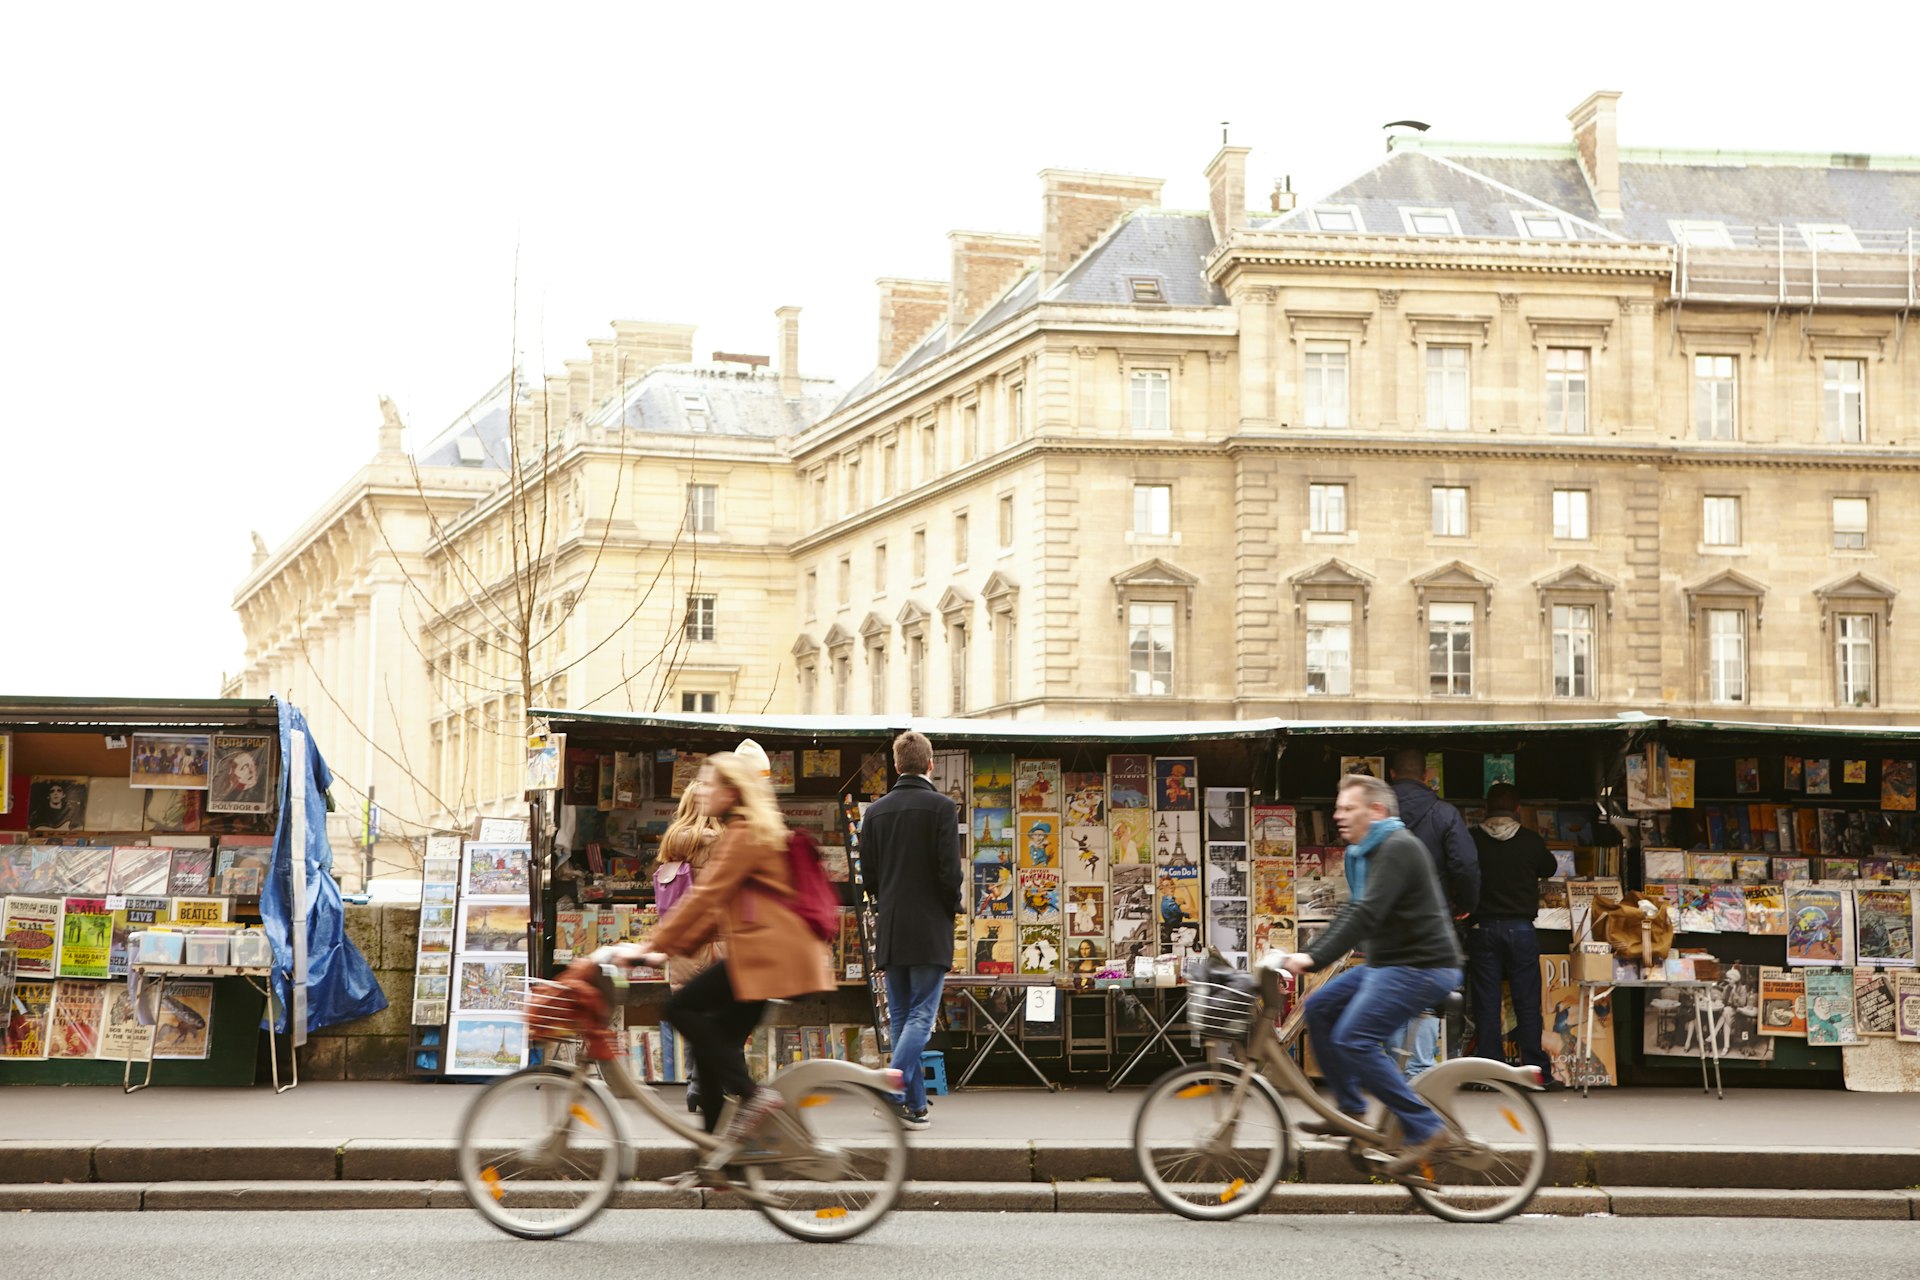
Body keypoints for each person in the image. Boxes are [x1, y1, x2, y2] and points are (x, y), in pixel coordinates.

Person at [646, 750, 835, 1149]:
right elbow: (717, 909)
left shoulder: (743, 833)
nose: (700, 791)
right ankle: (716, 1160)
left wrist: (654, 946)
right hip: (770, 956)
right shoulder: (750, 829)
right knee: (712, 1046)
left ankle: (752, 1096)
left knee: (678, 1009)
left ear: (730, 792)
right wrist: (676, 943)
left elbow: (705, 897)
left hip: (767, 957)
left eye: (709, 784)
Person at [1282, 774, 1465, 1176]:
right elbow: (1354, 910)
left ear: (1377, 811)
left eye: (1348, 808)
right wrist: (1309, 953)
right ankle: (1350, 1111)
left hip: (1423, 965)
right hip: (1390, 963)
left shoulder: (1398, 847)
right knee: (1320, 1007)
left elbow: (1366, 914)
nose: (1338, 815)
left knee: (1355, 1038)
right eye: (1338, 808)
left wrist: (1310, 959)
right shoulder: (1360, 852)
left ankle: (1426, 1126)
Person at [856, 729, 962, 1130]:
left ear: (896, 765)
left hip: (891, 924)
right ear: (930, 764)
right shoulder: (941, 808)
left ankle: (914, 1105)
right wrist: (950, 908)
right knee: (922, 1015)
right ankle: (890, 1088)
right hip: (930, 923)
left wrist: (888, 901)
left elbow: (870, 878)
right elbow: (950, 873)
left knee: (900, 1016)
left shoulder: (876, 812)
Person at [1385, 747, 1479, 1076]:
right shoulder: (1444, 813)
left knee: (1388, 994)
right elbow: (1465, 865)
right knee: (1422, 1000)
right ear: (1426, 776)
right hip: (1431, 920)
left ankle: (1396, 1074)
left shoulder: (1377, 814)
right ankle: (1419, 1075)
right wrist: (1465, 905)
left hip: (1386, 923)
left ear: (1392, 775)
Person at [1466, 782, 1559, 1083]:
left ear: (1486, 809)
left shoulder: (1472, 839)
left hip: (1482, 929)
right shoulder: (1531, 841)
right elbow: (1551, 866)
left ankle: (1492, 1074)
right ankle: (1534, 1071)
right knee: (1527, 1002)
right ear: (1518, 809)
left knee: (1487, 1003)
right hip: (1520, 930)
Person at [653, 782, 723, 1111]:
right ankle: (711, 1082)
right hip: (716, 939)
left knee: (693, 1011)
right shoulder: (720, 840)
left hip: (682, 941)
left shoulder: (673, 840)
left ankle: (695, 1079)